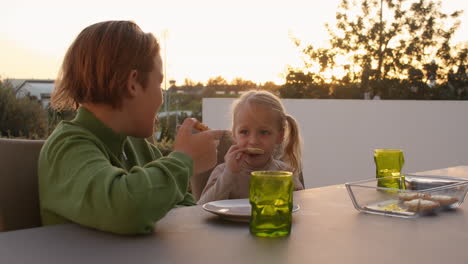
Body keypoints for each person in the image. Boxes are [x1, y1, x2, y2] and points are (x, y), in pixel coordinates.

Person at [38, 20, 223, 235]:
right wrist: (185, 160)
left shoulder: (139, 147)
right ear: (133, 83)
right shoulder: (66, 147)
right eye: (158, 83)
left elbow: (184, 210)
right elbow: (124, 208)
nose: (161, 98)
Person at [198, 90, 304, 204]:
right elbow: (201, 209)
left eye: (264, 132)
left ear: (279, 136)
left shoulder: (284, 173)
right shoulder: (223, 172)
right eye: (244, 132)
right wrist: (229, 174)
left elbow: (301, 208)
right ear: (234, 134)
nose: (253, 141)